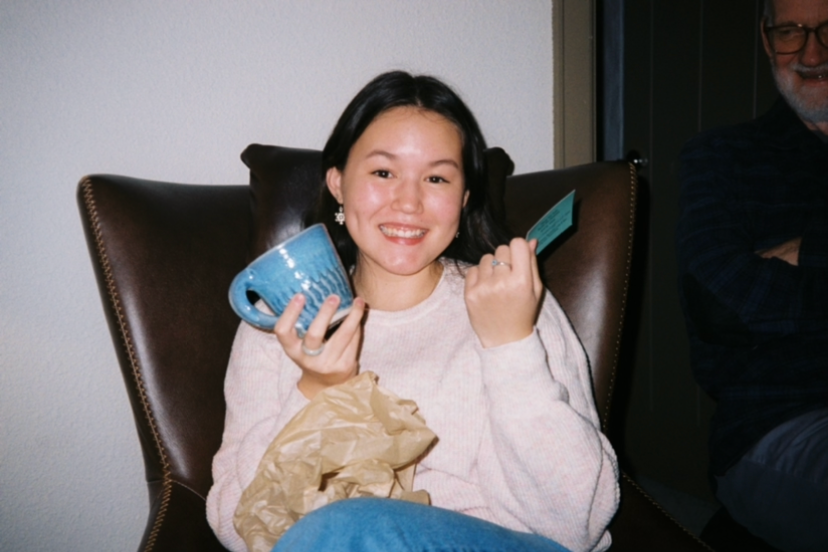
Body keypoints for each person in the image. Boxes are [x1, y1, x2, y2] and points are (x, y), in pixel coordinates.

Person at [206, 71, 619, 552]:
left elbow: (573, 526)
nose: (409, 203)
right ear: (338, 184)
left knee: (347, 528)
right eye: (383, 173)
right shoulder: (277, 321)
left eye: (437, 178)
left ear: (463, 200)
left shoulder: (512, 303)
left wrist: (510, 347)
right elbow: (236, 525)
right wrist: (315, 394)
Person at [676, 1, 828, 550]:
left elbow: (754, 294)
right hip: (782, 421)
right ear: (767, 40)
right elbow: (722, 305)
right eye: (790, 31)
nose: (812, 52)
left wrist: (805, 253)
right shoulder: (721, 157)